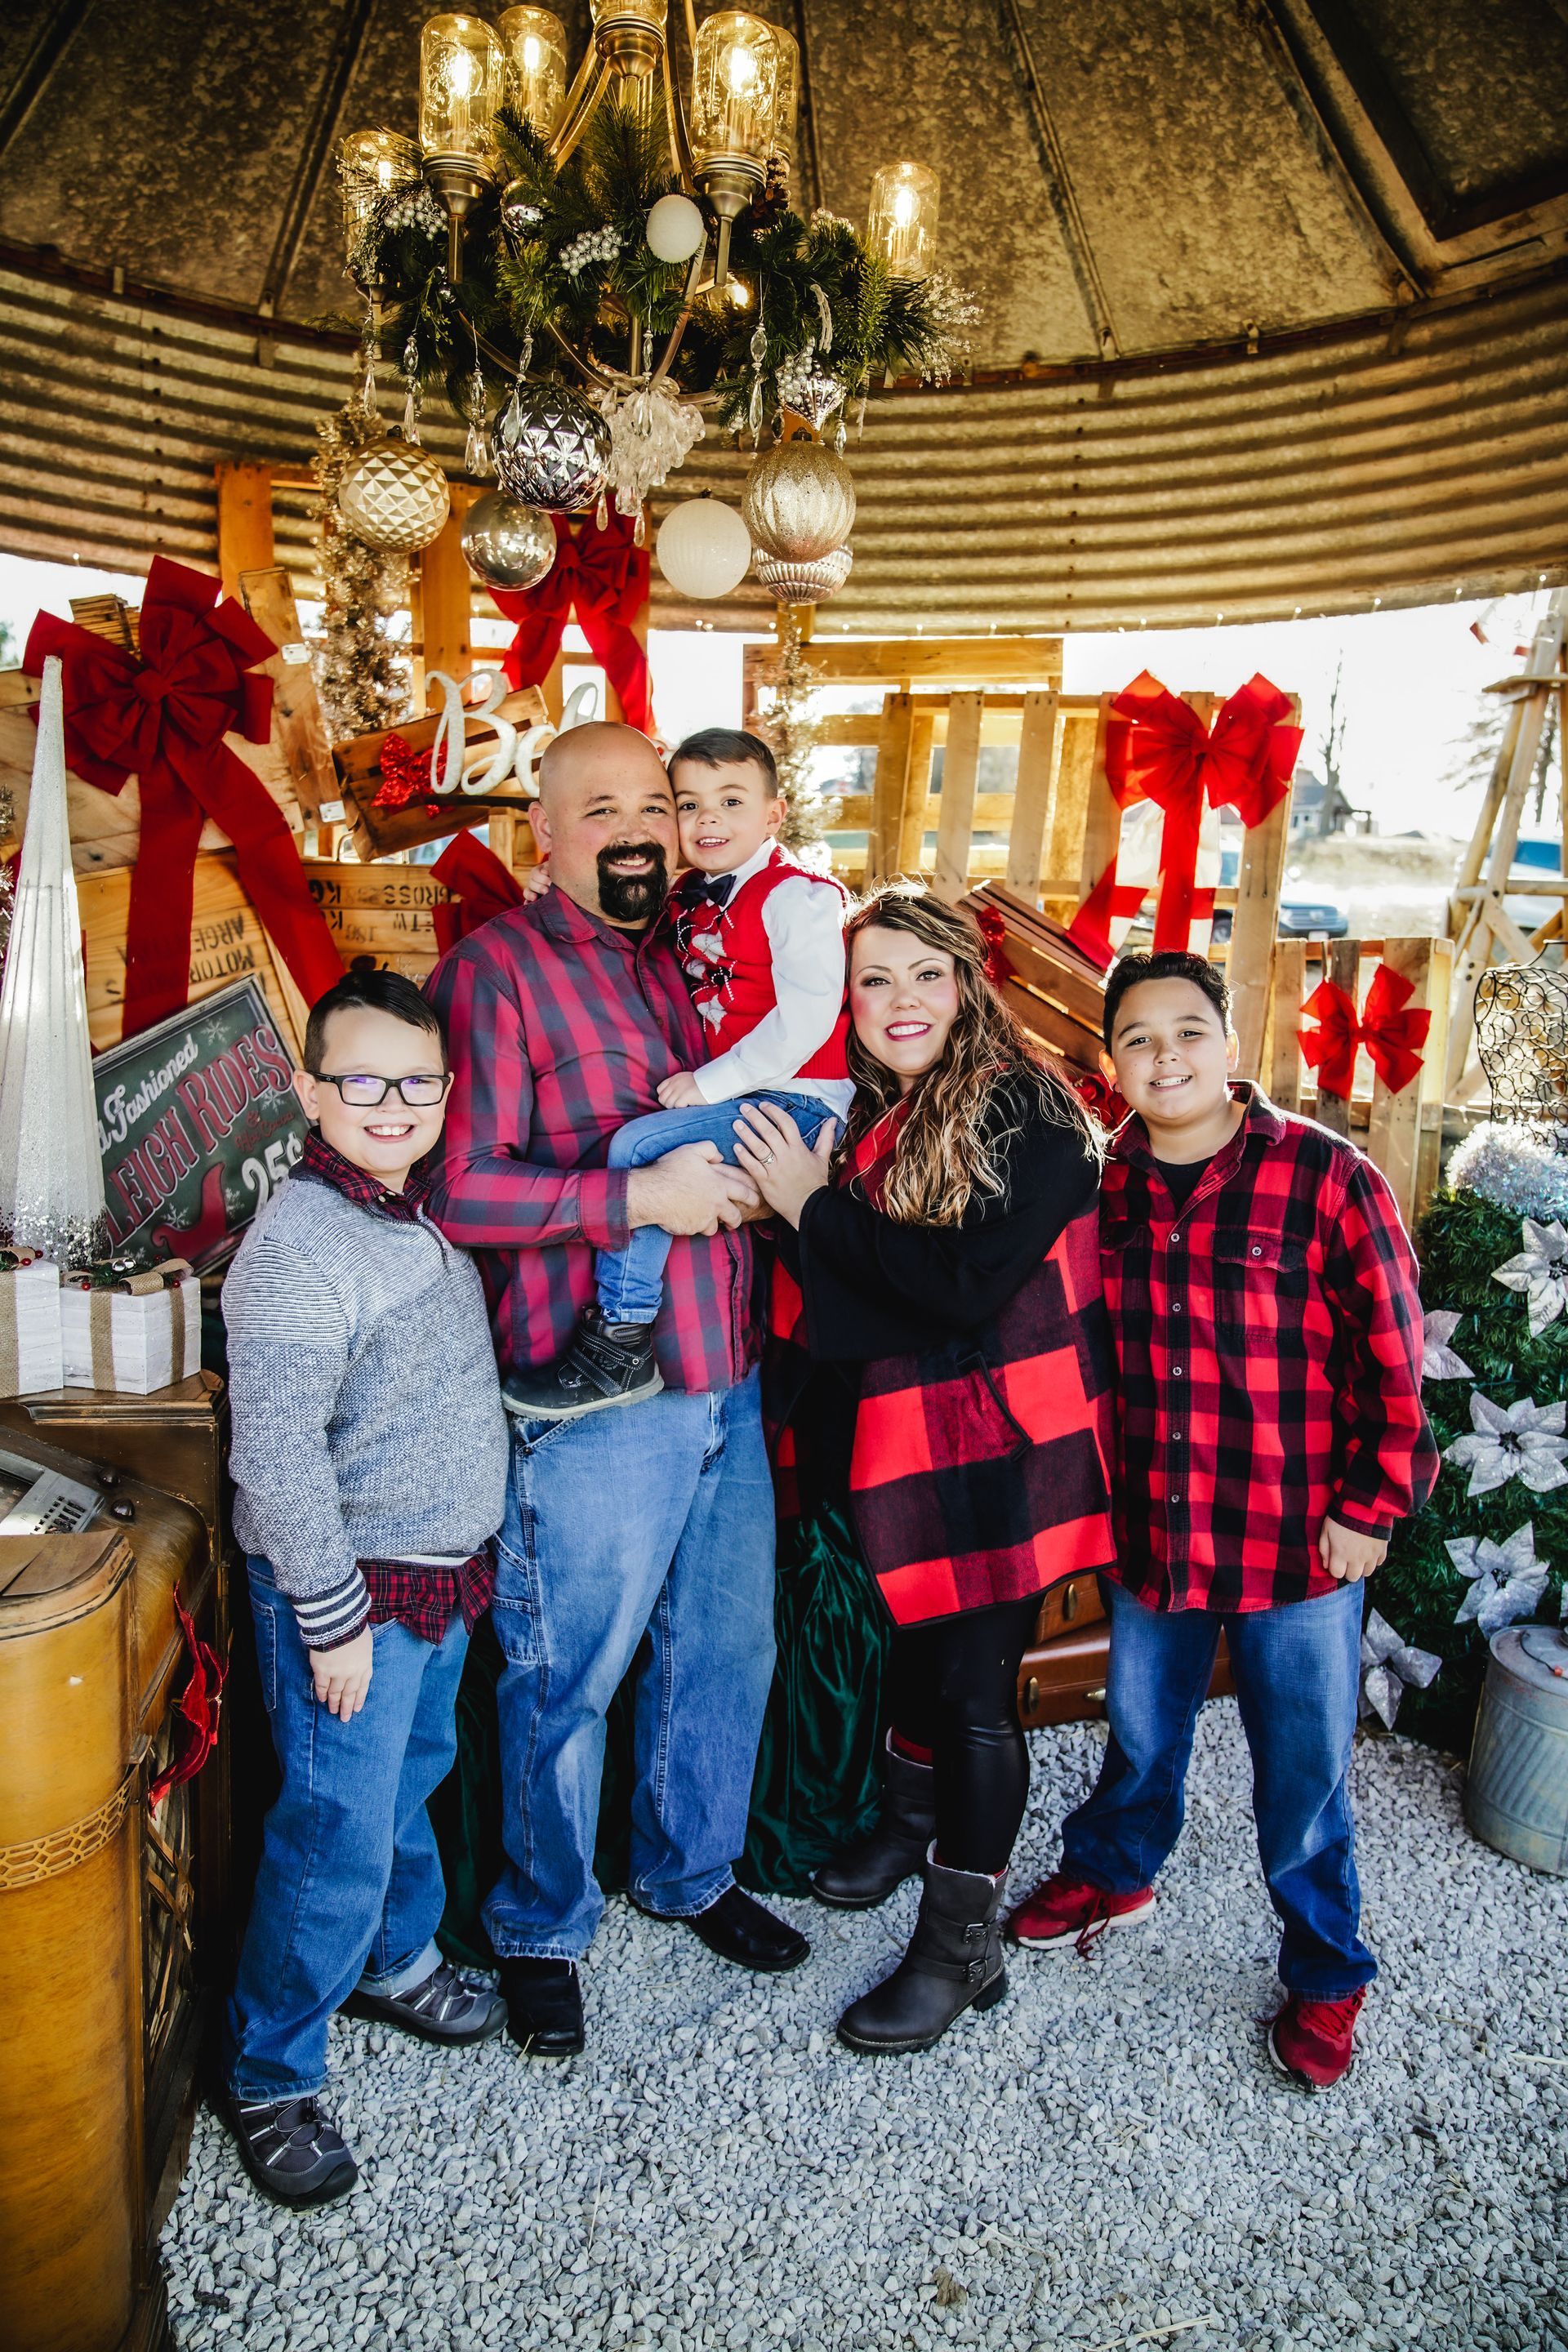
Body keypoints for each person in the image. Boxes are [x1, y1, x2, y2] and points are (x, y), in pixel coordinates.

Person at [424, 721, 809, 2062]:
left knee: (724, 1654)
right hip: (595, 1400)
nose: (639, 827)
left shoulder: (695, 971)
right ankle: (539, 1920)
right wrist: (633, 1194)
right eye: (604, 808)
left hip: (730, 1373)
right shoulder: (494, 975)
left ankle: (691, 1873)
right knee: (564, 1676)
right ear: (545, 831)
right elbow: (454, 1186)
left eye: (656, 803)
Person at [1008, 949, 1438, 2093]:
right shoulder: (1098, 1188)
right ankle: (1117, 1869)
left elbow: (1395, 1360)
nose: (1166, 1056)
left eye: (1189, 1031)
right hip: (1157, 1529)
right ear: (1112, 1062)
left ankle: (1327, 1968)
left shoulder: (1325, 1177)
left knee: (1302, 1771)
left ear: (1231, 1043)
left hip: (1300, 1539)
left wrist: (1372, 1507)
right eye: (1139, 1038)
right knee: (1141, 1732)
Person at [737, 886, 1115, 2054]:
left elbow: (956, 1287)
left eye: (924, 976)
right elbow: (873, 1289)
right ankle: (909, 1830)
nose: (901, 1002)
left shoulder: (1030, 1113)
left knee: (971, 1691)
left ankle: (962, 1948)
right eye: (874, 980)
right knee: (913, 1652)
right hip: (916, 1448)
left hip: (1010, 1450)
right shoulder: (881, 1114)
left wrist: (804, 1207)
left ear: (968, 984)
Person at [220, 969, 511, 2207]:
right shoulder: (295, 1249)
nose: (391, 1103)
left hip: (436, 1585)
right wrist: (333, 1625)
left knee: (409, 1787)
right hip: (352, 1603)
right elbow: (276, 1456)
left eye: (417, 1082)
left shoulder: (402, 1208)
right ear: (309, 1089)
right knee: (333, 1832)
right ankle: (269, 2073)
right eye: (361, 1081)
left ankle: (395, 1962)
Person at [504, 727, 851, 1420]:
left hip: (801, 1097)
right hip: (759, 1095)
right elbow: (618, 893)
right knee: (654, 1157)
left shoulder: (796, 897)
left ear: (774, 814)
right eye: (687, 805)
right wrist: (551, 882)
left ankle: (619, 1337)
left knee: (640, 1149)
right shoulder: (695, 892)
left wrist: (711, 1083)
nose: (708, 820)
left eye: (730, 801)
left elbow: (810, 1017)